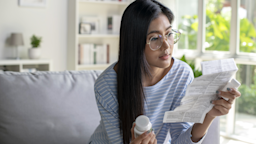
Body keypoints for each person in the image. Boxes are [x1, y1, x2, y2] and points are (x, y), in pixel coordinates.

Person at [89, 0, 241, 144]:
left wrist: (210, 115)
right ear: (135, 44)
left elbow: (180, 140)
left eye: (169, 34)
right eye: (155, 38)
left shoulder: (181, 75)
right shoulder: (106, 85)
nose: (166, 46)